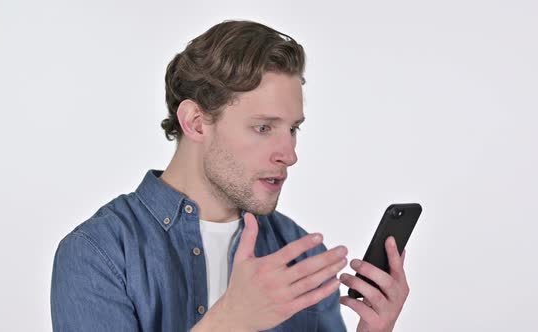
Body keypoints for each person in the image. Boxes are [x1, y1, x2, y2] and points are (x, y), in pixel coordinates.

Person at [50, 20, 410, 332]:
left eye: (293, 129)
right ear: (195, 122)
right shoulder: (99, 252)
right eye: (264, 127)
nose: (290, 154)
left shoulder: (300, 253)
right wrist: (230, 321)